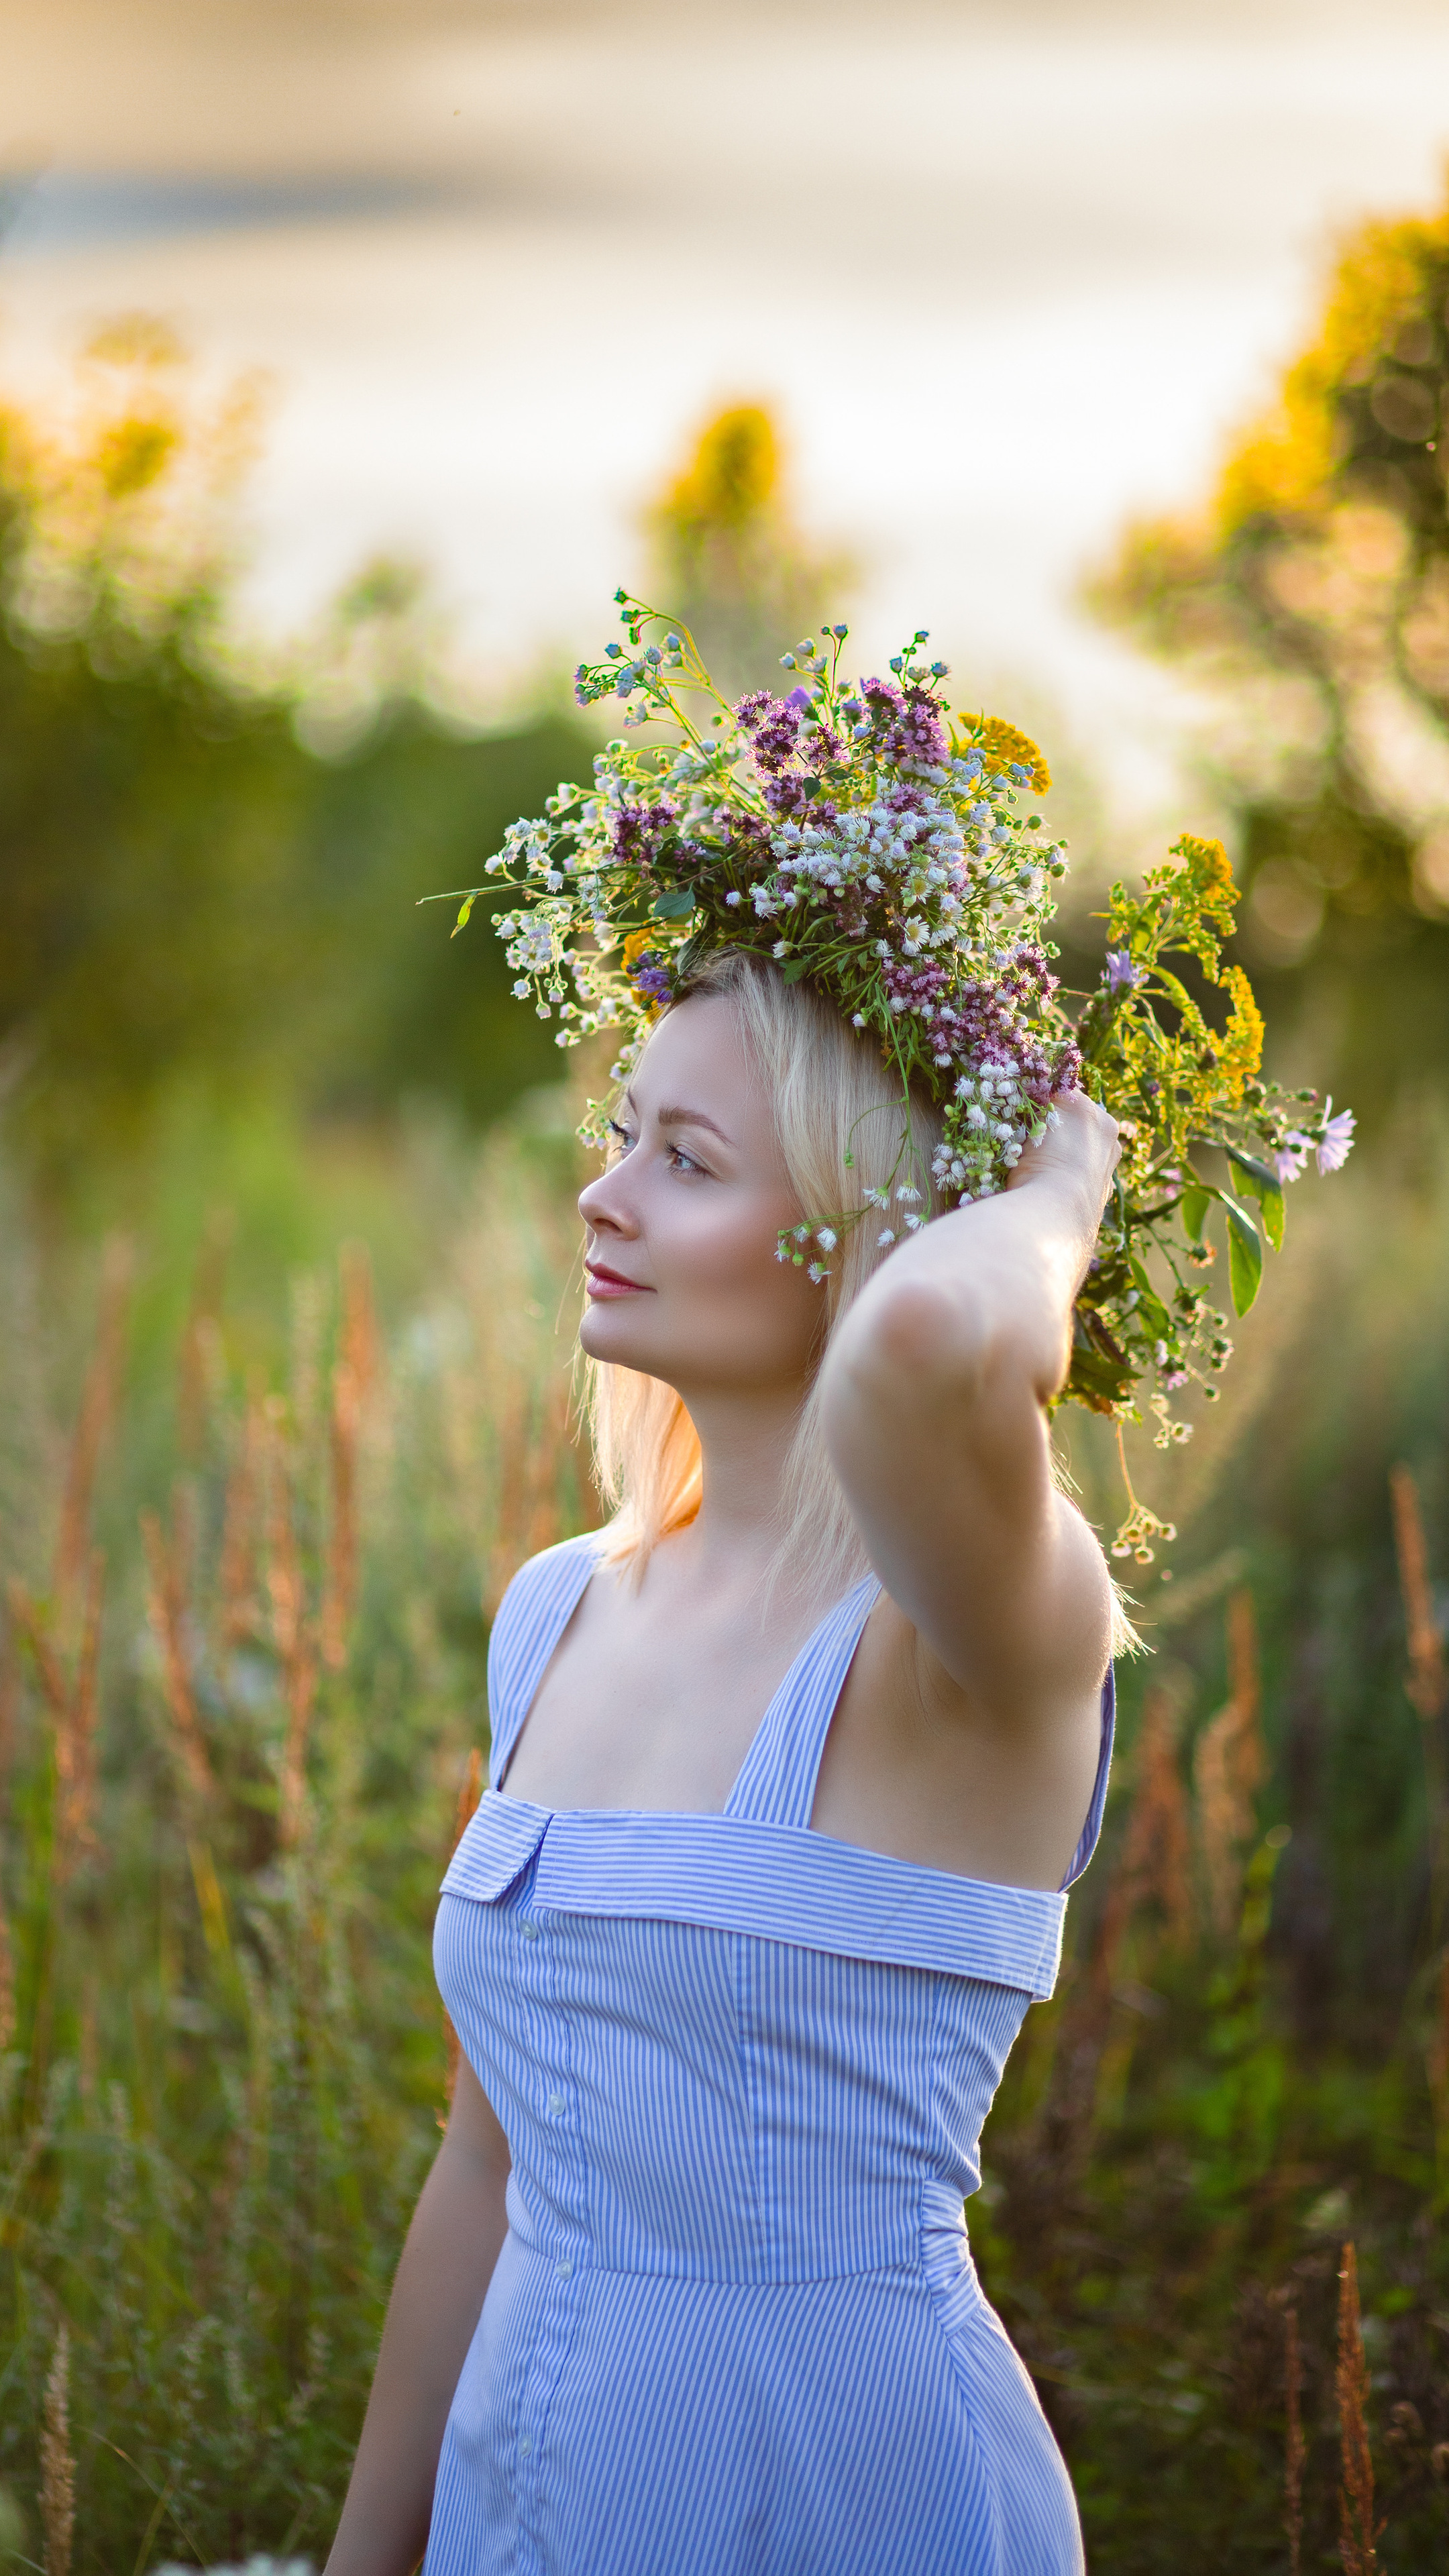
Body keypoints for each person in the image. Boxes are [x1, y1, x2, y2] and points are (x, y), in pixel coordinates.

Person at [325, 947, 1124, 2576]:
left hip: (837, 2498)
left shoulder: (966, 1656)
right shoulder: (555, 1613)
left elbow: (920, 1353)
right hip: (526, 2494)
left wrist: (1062, 1178)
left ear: (869, 1225)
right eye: (618, 1138)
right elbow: (486, 2167)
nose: (601, 1201)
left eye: (685, 1163)